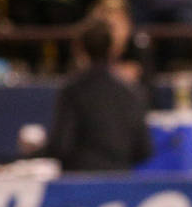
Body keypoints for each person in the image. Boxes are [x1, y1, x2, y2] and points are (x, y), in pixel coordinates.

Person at [46, 18, 151, 171]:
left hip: (79, 185)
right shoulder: (132, 91)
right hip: (120, 185)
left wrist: (33, 152)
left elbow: (60, 146)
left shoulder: (73, 90)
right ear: (111, 49)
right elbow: (143, 150)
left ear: (79, 49)